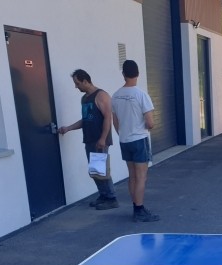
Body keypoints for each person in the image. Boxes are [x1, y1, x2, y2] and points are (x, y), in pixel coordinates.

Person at [58, 69, 119, 210]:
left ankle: (111, 198)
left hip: (100, 141)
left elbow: (107, 118)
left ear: (85, 81)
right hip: (89, 139)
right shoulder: (84, 99)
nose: (76, 86)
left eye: (77, 83)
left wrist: (103, 138)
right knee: (95, 171)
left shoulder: (101, 96)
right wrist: (68, 128)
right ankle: (103, 195)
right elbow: (85, 120)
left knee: (101, 170)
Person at [111, 59, 160, 222]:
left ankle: (136, 207)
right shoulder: (141, 95)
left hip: (124, 140)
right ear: (137, 74)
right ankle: (139, 210)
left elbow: (115, 121)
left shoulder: (116, 95)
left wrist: (123, 133)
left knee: (132, 176)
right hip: (139, 139)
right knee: (141, 177)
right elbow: (150, 122)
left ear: (123, 74)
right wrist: (144, 127)